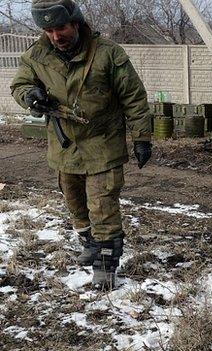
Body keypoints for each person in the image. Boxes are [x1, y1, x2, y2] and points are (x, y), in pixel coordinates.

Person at [11, 0, 153, 289]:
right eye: (48, 30)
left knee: (103, 206)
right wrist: (30, 96)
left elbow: (134, 99)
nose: (55, 36)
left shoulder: (108, 54)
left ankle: (105, 266)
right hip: (64, 147)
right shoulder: (36, 55)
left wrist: (141, 138)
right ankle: (89, 243)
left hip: (104, 144)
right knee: (75, 204)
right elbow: (19, 85)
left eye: (60, 27)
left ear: (76, 23)